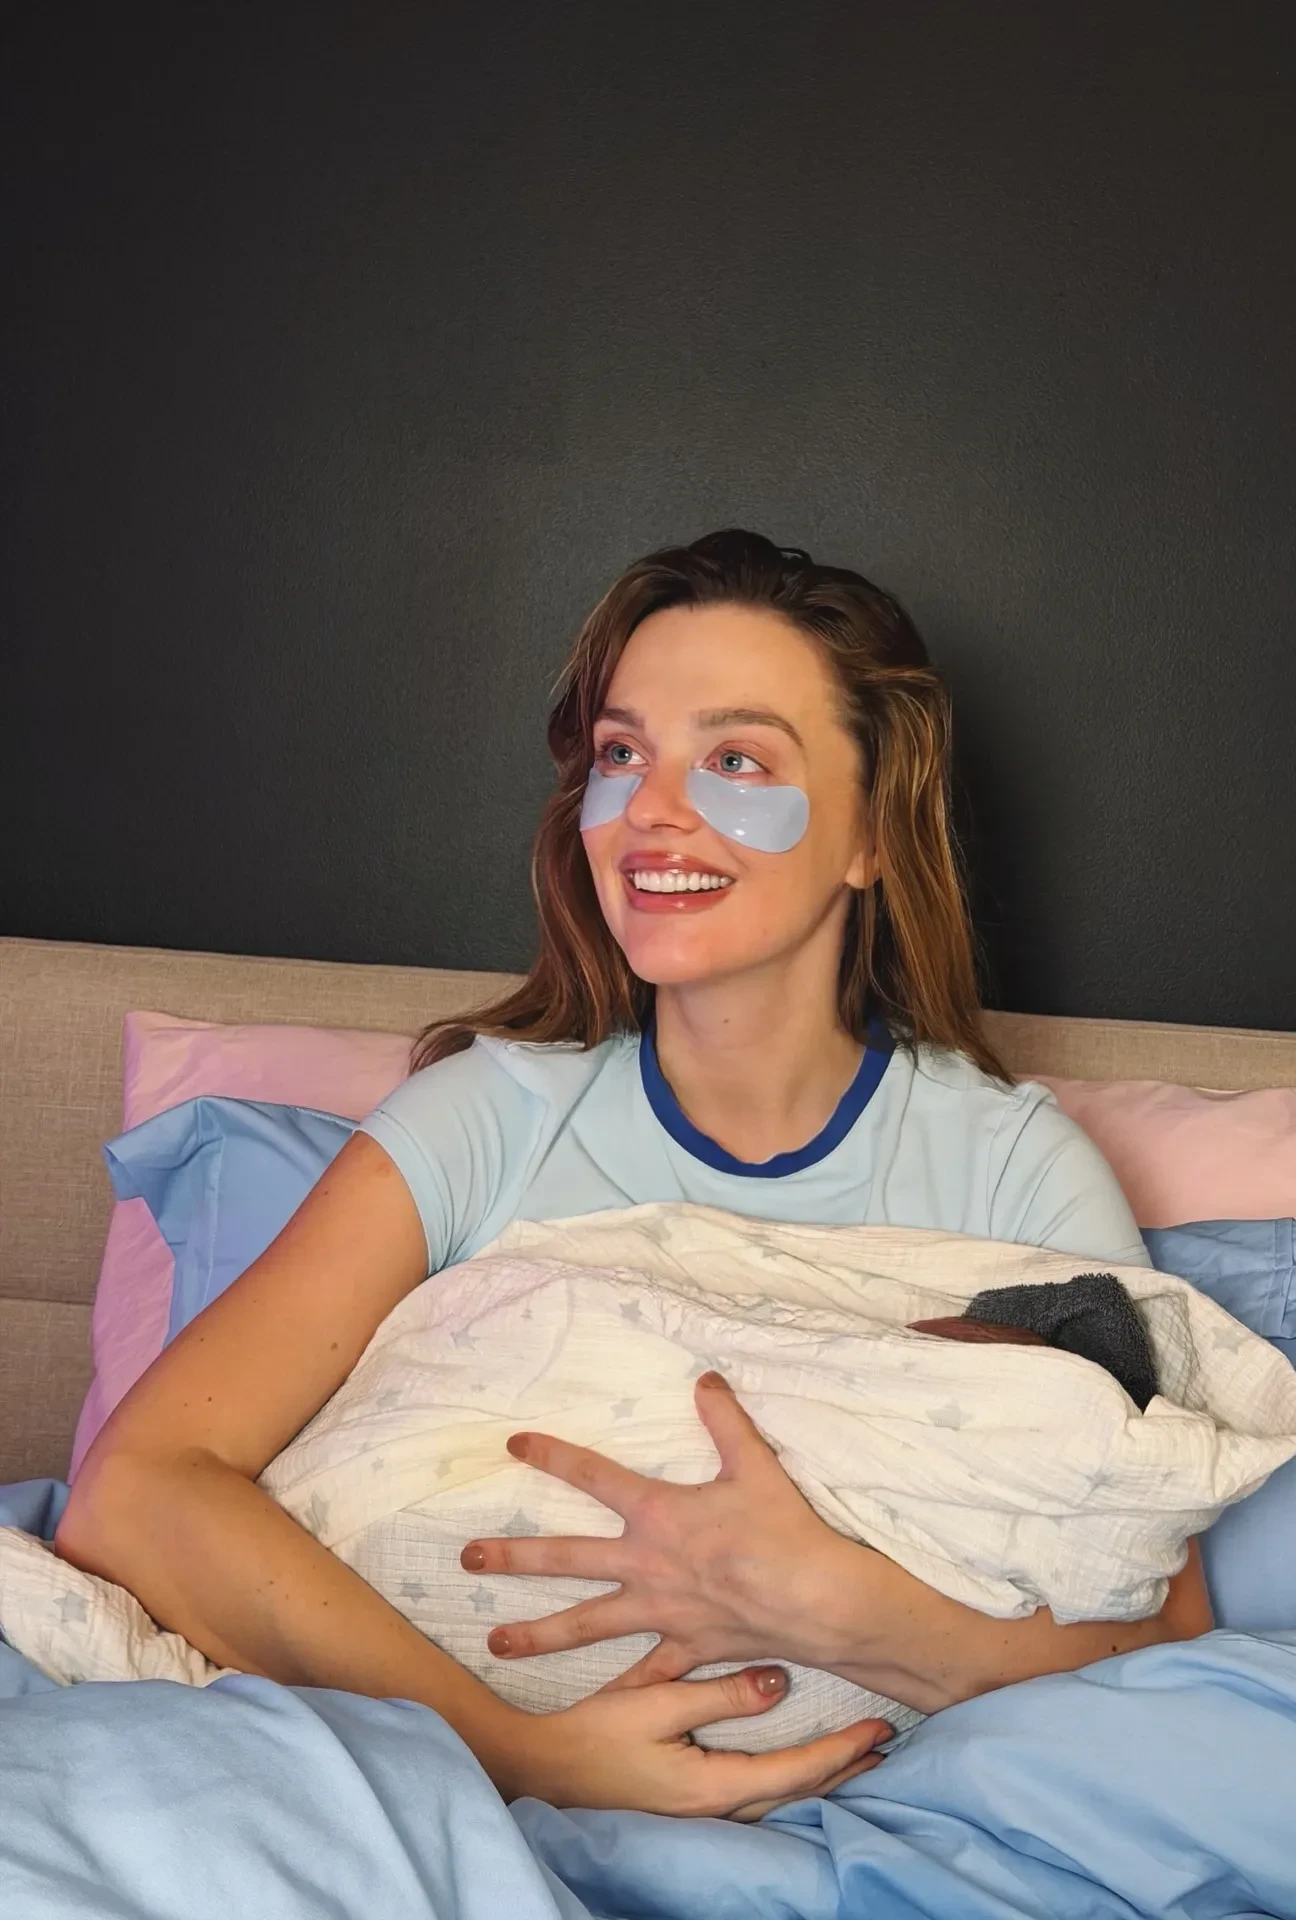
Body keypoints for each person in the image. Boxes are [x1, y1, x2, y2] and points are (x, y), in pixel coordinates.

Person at [56, 529, 1212, 1819]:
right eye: (621, 755)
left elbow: (1161, 1642)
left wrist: (826, 1603)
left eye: (737, 759)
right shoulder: (485, 1118)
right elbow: (136, 1494)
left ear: (872, 834)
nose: (651, 810)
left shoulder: (1012, 1172)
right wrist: (521, 1756)